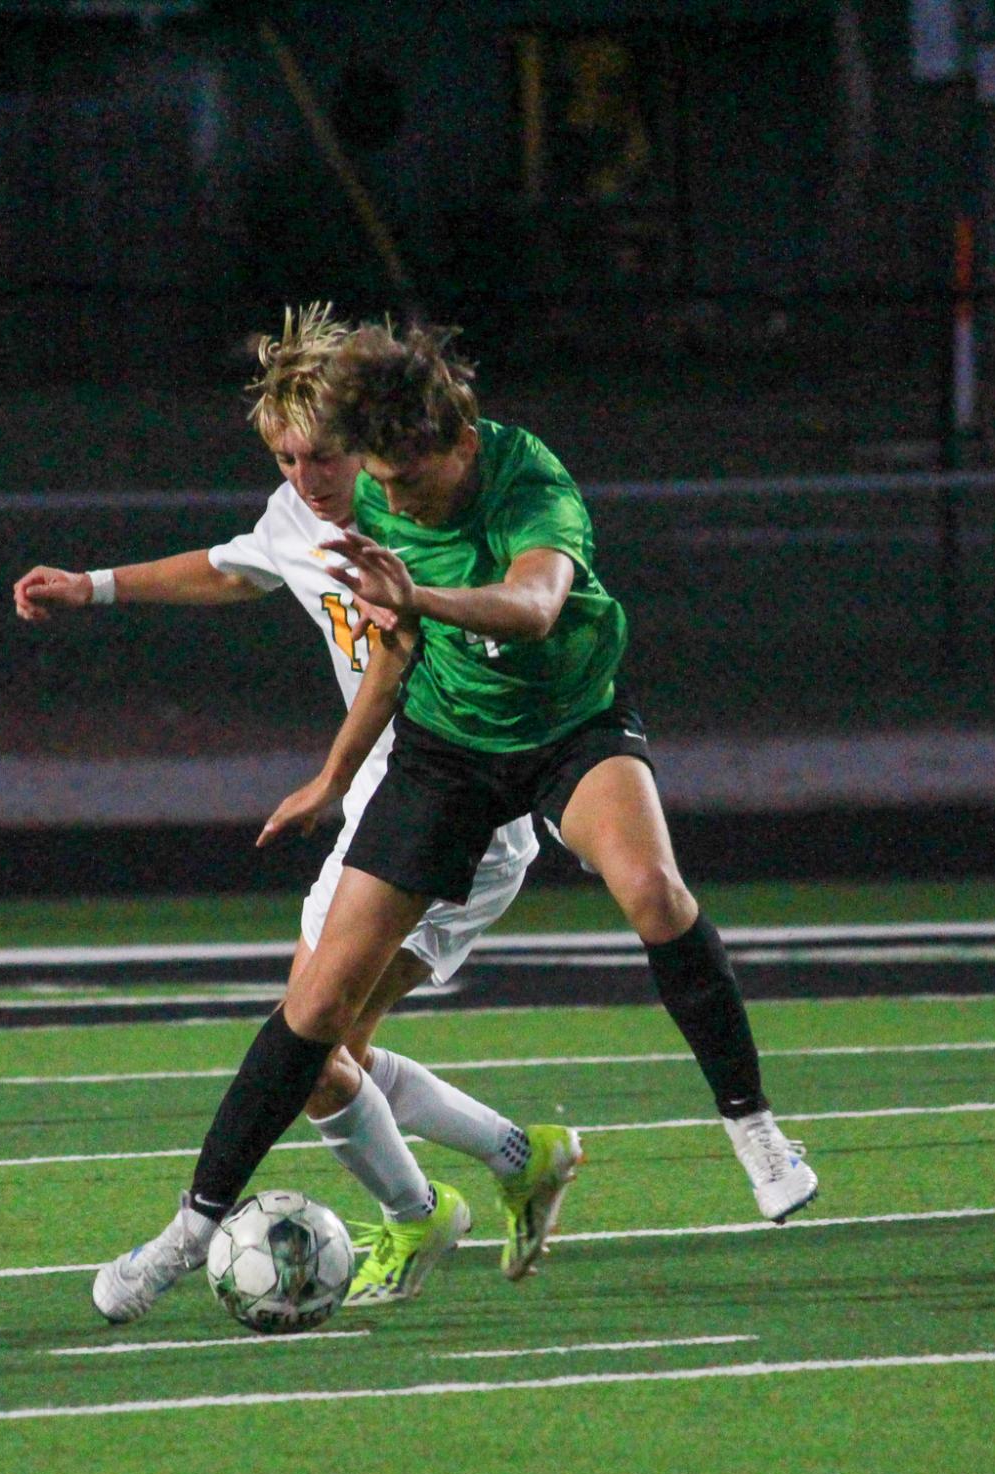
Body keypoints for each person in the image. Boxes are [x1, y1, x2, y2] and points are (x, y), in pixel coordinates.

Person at [94, 314, 817, 1311]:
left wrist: (422, 595)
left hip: (569, 725)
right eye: (373, 481)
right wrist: (334, 776)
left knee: (653, 890)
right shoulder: (382, 504)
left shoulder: (529, 479)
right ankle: (190, 1228)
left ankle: (753, 1125)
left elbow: (532, 606)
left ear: (445, 438)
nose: (385, 500)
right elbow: (389, 654)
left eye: (399, 480)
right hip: (445, 753)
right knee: (315, 1015)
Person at [11, 304, 581, 1320]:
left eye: (322, 456)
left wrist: (327, 776)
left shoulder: (412, 524)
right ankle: (508, 1159)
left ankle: (387, 1210)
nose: (307, 481)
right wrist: (93, 586)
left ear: (370, 442)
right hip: (384, 806)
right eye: (284, 460)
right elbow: (237, 567)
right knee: (324, 1054)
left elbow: (399, 672)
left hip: (456, 810)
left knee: (314, 1046)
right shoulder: (303, 515)